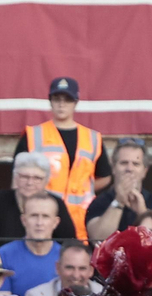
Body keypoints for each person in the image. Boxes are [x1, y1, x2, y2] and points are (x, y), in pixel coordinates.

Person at [12, 75, 110, 225]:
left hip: (82, 218)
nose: (61, 104)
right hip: (44, 216)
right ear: (50, 101)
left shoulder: (93, 138)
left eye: (67, 99)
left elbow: (105, 176)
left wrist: (84, 188)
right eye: (57, 99)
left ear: (76, 102)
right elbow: (17, 178)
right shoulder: (33, 135)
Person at [83, 137, 152, 241]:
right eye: (124, 163)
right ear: (113, 168)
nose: (129, 169)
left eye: (136, 164)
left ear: (144, 171)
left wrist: (143, 213)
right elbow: (98, 238)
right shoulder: (99, 202)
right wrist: (118, 202)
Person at [0, 151, 81, 243]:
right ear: (16, 177)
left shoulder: (56, 203)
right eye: (24, 177)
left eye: (37, 178)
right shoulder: (1, 199)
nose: (30, 183)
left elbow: (69, 244)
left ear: (46, 181)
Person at [0, 190, 63, 296]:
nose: (39, 223)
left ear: (55, 222)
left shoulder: (65, 257)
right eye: (34, 216)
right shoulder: (4, 254)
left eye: (45, 216)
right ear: (23, 220)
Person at [22, 241, 97, 296]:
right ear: (58, 268)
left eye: (82, 268)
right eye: (69, 268)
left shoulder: (102, 294)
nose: (76, 275)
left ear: (91, 270)